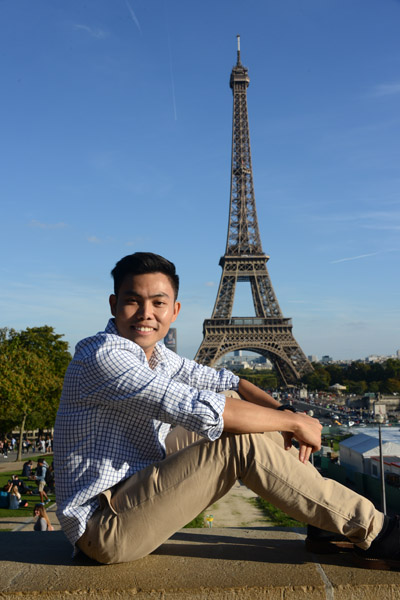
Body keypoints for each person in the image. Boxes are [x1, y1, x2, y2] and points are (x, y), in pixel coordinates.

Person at [54, 252, 400, 570]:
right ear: (114, 304)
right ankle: (375, 530)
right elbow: (202, 409)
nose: (146, 313)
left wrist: (282, 410)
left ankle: (324, 522)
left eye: (158, 303)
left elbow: (225, 381)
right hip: (103, 527)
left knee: (250, 416)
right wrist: (293, 420)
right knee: (238, 441)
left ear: (174, 311)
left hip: (130, 491)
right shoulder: (104, 354)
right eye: (133, 301)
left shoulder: (157, 356)